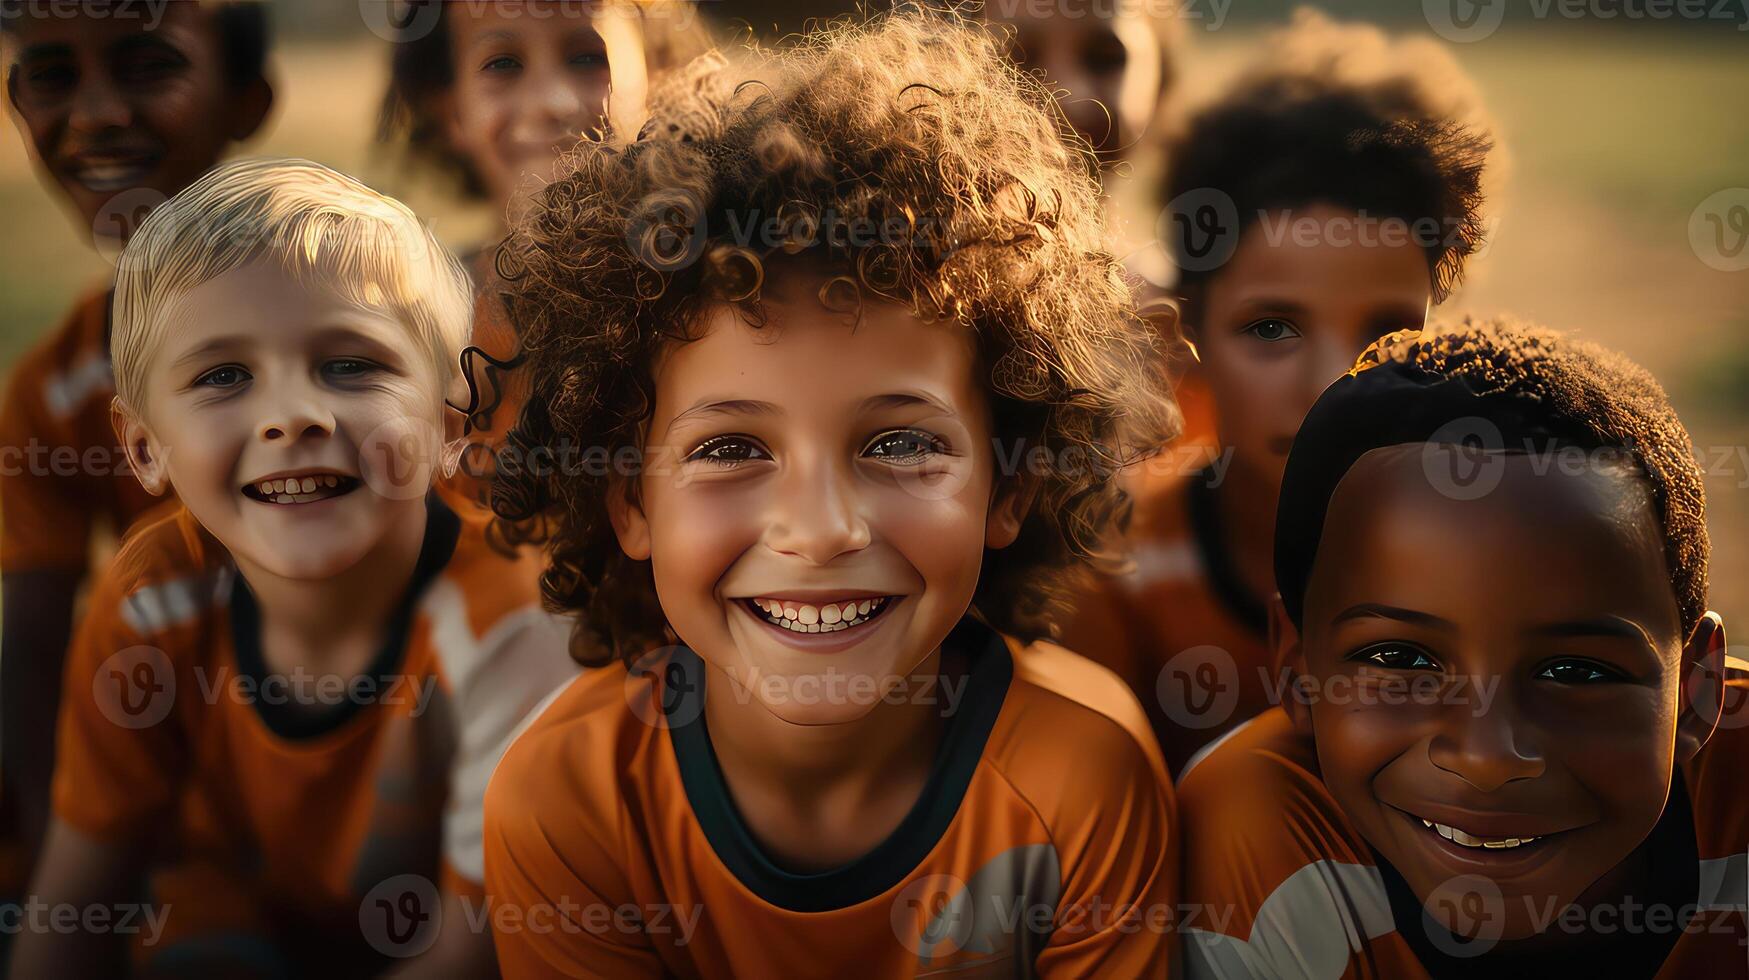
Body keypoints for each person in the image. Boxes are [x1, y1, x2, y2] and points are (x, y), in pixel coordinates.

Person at [480, 10, 1181, 976]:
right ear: (627, 501)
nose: (818, 530)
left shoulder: (1084, 779)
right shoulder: (567, 795)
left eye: (898, 443)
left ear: (1008, 482)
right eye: (729, 447)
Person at [11, 159, 578, 978]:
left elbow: (476, 952)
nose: (293, 417)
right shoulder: (151, 594)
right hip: (233, 924)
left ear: (451, 419)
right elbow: (74, 901)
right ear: (143, 447)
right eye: (223, 376)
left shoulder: (511, 620)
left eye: (350, 364)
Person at [1178, 318, 1743, 978]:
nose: (1485, 756)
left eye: (1575, 670)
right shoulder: (1266, 840)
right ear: (1297, 673)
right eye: (1400, 660)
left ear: (1696, 690)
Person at [1062, 10, 1497, 773]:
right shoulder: (1114, 571)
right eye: (1270, 329)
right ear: (1185, 334)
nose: (1333, 384)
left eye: (1386, 333)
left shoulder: (1486, 557)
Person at [0, 0, 274, 886]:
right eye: (51, 76)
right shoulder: (55, 388)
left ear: (247, 99)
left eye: (147, 64)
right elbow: (32, 650)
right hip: (156, 835)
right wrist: (63, 890)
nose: (97, 114)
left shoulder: (352, 333)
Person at [376, 0, 704, 504]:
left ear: (656, 80)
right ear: (450, 110)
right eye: (503, 64)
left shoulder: (711, 297)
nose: (554, 102)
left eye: (587, 57)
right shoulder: (408, 320)